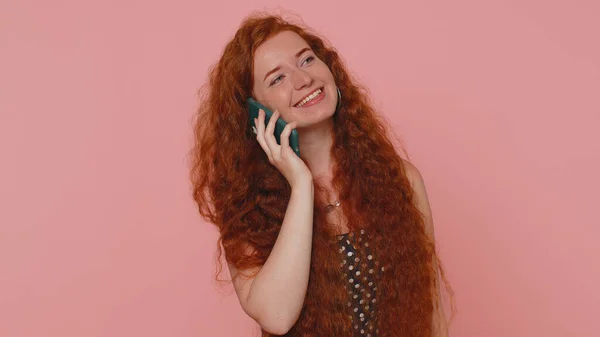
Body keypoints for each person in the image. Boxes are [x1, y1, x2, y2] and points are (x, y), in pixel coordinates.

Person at [190, 12, 455, 337]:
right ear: (255, 113)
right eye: (277, 78)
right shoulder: (247, 209)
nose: (303, 80)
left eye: (307, 60)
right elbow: (275, 316)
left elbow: (432, 312)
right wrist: (301, 185)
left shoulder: (402, 180)